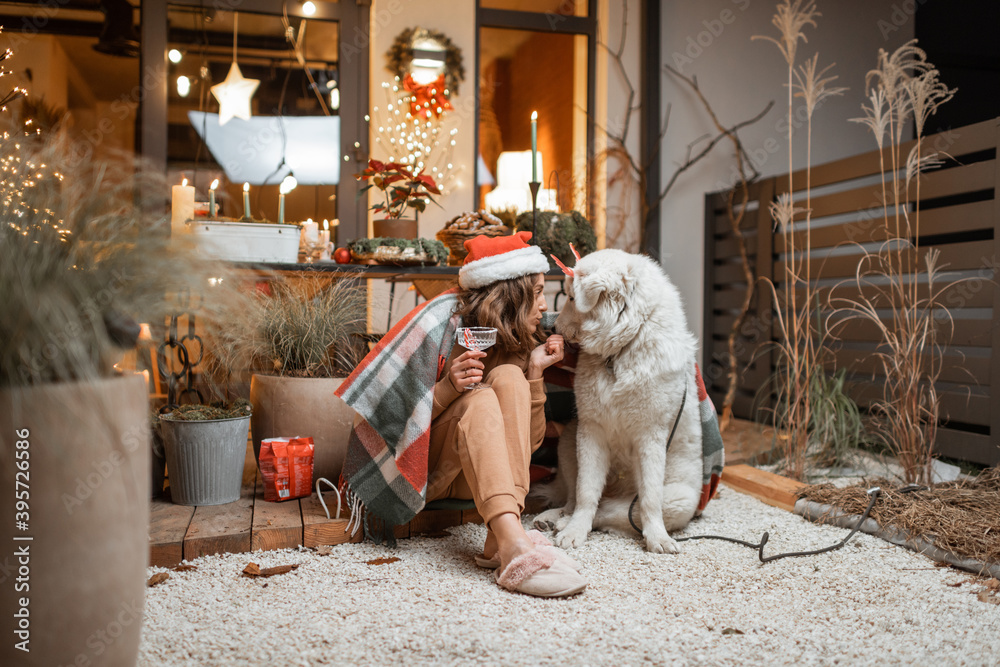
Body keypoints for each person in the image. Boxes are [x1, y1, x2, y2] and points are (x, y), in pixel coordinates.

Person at [336, 231, 587, 598]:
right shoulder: (441, 324)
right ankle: (514, 546)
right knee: (480, 400)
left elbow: (526, 445)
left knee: (508, 376)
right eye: (535, 292)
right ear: (510, 293)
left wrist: (535, 372)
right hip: (418, 472)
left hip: (485, 483)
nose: (544, 306)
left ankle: (498, 539)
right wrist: (449, 389)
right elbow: (393, 421)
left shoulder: (517, 339)